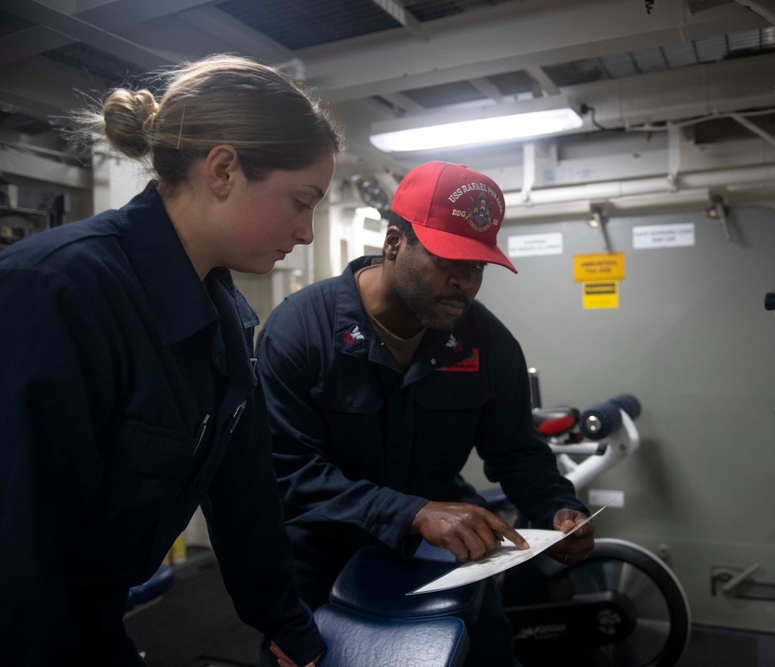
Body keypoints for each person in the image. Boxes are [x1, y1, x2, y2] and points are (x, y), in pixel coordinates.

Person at [0, 54, 342, 667]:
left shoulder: (227, 315)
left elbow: (244, 495)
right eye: (300, 201)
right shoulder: (56, 292)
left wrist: (286, 624)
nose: (308, 232)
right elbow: (16, 552)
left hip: (92, 616)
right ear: (224, 170)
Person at [255, 160, 595, 666]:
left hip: (443, 563)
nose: (465, 282)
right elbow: (287, 473)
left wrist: (557, 509)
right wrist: (412, 513)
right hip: (320, 567)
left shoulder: (487, 344)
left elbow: (517, 450)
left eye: (478, 265)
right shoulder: (302, 330)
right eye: (450, 260)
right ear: (395, 243)